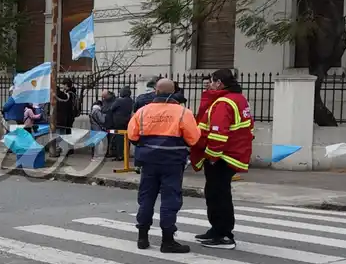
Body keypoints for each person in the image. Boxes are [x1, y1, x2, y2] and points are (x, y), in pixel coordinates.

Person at [127, 78, 202, 252]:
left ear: (156, 91)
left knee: (146, 198)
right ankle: (167, 240)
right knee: (170, 199)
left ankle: (142, 237)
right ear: (174, 92)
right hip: (172, 162)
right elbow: (194, 138)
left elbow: (132, 136)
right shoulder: (183, 113)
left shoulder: (143, 111)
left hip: (148, 161)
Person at [191, 68, 254, 250]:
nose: (209, 84)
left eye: (211, 81)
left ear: (219, 83)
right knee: (218, 193)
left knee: (218, 195)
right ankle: (216, 230)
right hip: (233, 154)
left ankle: (223, 234)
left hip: (222, 157)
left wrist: (212, 156)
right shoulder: (239, 99)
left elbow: (218, 133)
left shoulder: (223, 103)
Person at [107, 86, 135, 159]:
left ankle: (120, 155)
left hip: (119, 123)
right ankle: (126, 154)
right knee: (127, 138)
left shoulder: (119, 101)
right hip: (128, 122)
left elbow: (112, 108)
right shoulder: (132, 101)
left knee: (119, 139)